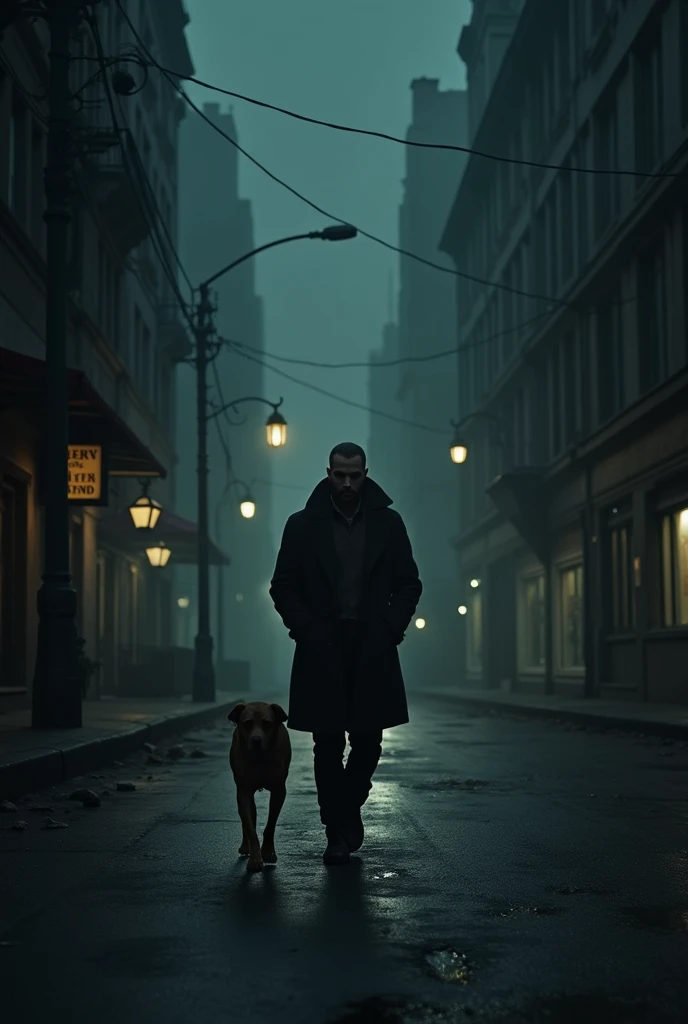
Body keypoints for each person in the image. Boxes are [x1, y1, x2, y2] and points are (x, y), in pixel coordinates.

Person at [269, 441, 422, 865]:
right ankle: (335, 830)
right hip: (323, 645)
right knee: (327, 741)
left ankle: (345, 808)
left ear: (366, 472)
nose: (348, 483)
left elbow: (409, 582)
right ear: (328, 472)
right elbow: (282, 585)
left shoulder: (388, 524)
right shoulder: (302, 525)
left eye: (355, 475)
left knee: (369, 739)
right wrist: (306, 628)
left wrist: (391, 626)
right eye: (340, 475)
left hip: (372, 643)